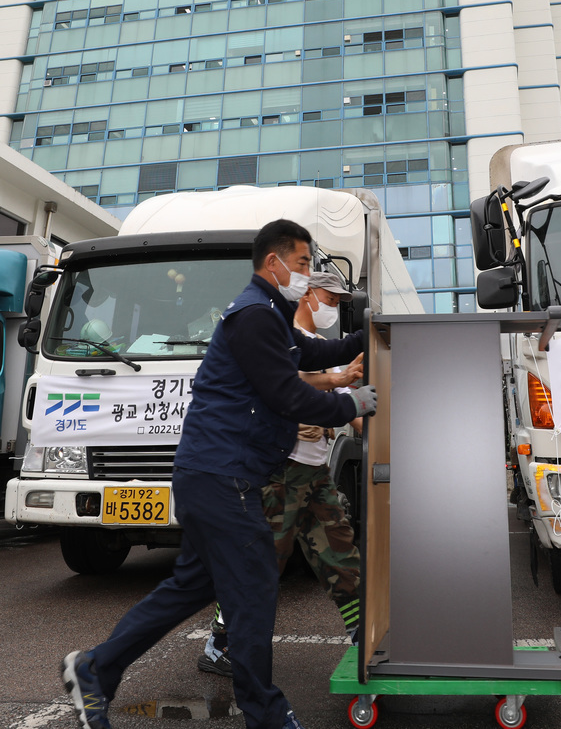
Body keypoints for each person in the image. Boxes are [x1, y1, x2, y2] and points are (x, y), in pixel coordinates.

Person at [60, 220, 379, 729]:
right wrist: (348, 401)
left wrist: (374, 335)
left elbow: (317, 353)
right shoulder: (254, 317)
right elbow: (286, 394)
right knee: (254, 591)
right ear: (272, 263)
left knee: (187, 589)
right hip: (224, 478)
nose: (305, 275)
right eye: (300, 265)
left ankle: (95, 669)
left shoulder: (270, 317)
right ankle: (267, 715)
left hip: (213, 477)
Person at [199, 269, 365, 677]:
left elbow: (352, 411)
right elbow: (282, 385)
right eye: (330, 298)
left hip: (314, 472)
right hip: (278, 471)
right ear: (307, 294)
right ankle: (220, 644)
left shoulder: (324, 347)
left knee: (341, 555)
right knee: (259, 565)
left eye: (340, 303)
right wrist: (336, 379)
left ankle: (366, 637)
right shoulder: (279, 334)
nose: (334, 307)